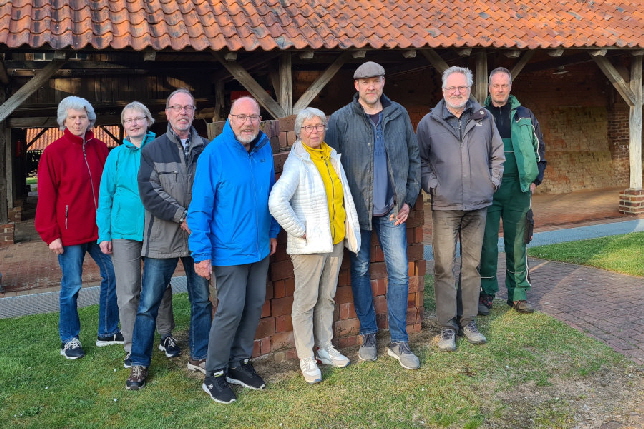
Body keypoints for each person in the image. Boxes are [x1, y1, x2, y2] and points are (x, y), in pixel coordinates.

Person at [326, 61, 422, 370]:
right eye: (365, 82)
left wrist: (408, 199)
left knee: (399, 272)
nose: (371, 87)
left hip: (393, 211)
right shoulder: (340, 120)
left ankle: (398, 339)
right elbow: (331, 167)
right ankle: (368, 333)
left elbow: (414, 158)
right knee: (361, 270)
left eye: (376, 81)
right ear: (356, 86)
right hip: (358, 213)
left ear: (383, 83)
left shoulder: (399, 115)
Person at [189, 96, 280, 404]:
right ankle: (214, 374)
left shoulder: (264, 148)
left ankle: (238, 364)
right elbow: (199, 208)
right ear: (230, 119)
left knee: (254, 306)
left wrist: (271, 232)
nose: (247, 122)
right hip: (227, 250)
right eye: (241, 117)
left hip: (259, 248)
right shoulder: (214, 154)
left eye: (253, 117)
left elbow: (270, 195)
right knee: (230, 311)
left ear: (260, 120)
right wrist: (201, 253)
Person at [126, 89, 212, 390]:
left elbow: (214, 188)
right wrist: (182, 216)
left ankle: (200, 356)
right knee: (148, 303)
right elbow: (149, 193)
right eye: (177, 107)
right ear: (167, 112)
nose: (183, 113)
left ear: (194, 112)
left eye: (188, 107)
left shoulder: (207, 149)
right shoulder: (154, 150)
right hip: (162, 239)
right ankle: (138, 362)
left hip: (197, 240)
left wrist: (197, 221)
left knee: (201, 299)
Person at [269, 107, 361, 384]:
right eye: (308, 127)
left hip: (334, 240)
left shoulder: (331, 156)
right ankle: (306, 356)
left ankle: (325, 347)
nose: (314, 131)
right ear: (299, 132)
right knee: (306, 302)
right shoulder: (298, 161)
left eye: (318, 126)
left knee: (327, 298)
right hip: (309, 246)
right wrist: (300, 231)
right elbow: (276, 201)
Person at [417, 66, 505, 352]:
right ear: (443, 91)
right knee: (443, 266)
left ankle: (468, 321)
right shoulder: (429, 123)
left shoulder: (484, 118)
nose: (457, 92)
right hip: (445, 206)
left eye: (462, 88)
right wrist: (432, 186)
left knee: (472, 265)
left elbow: (497, 154)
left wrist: (491, 182)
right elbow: (419, 161)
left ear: (469, 90)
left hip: (478, 204)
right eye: (452, 88)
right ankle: (447, 326)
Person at [35, 96, 122, 359]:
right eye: (72, 117)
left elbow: (111, 188)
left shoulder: (101, 149)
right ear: (64, 120)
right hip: (69, 233)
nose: (77, 121)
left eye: (82, 117)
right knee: (71, 286)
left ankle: (107, 331)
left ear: (89, 119)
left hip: (99, 231)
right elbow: (47, 196)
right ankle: (69, 338)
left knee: (115, 275)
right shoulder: (53, 152)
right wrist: (51, 235)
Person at [97, 102, 179, 368]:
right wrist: (104, 234)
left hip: (156, 227)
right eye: (128, 120)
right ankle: (132, 346)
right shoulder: (116, 157)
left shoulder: (159, 149)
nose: (134, 123)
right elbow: (106, 196)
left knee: (160, 286)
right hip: (123, 230)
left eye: (139, 119)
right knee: (128, 290)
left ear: (148, 121)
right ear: (123, 125)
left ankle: (165, 334)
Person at [479, 67, 547, 315]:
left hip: (518, 187)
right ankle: (486, 293)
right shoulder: (479, 115)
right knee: (486, 244)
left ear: (510, 87)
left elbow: (539, 147)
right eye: (496, 85)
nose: (500, 89)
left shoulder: (525, 115)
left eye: (504, 85)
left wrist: (535, 178)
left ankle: (518, 293)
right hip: (488, 189)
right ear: (489, 87)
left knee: (517, 242)